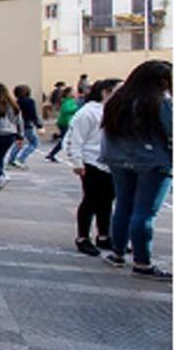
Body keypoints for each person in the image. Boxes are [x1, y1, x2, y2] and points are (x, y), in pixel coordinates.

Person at [99, 60, 173, 280]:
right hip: (152, 162)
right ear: (161, 81)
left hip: (118, 160)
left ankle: (117, 253)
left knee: (123, 205)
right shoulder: (160, 102)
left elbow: (106, 132)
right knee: (145, 212)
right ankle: (142, 263)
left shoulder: (117, 100)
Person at [64, 78, 122, 256]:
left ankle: (104, 235)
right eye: (119, 90)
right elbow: (76, 139)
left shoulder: (113, 111)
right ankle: (83, 237)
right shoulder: (88, 112)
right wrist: (77, 162)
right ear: (106, 92)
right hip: (91, 162)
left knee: (106, 201)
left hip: (110, 163)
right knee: (91, 200)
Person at [6, 85, 42, 169]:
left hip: (17, 125)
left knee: (19, 143)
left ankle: (10, 161)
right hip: (27, 125)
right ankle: (20, 159)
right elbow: (33, 114)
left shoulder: (15, 102)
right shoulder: (29, 101)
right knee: (34, 143)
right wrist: (39, 125)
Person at [46, 86, 78, 161]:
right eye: (73, 91)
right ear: (68, 93)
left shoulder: (71, 100)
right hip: (65, 122)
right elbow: (65, 110)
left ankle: (53, 153)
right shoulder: (67, 101)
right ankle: (52, 154)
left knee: (67, 139)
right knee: (65, 139)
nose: (75, 93)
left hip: (67, 122)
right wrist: (76, 109)